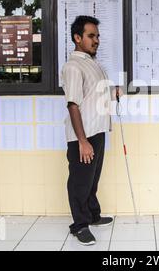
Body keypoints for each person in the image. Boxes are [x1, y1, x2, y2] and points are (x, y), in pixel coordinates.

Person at [61, 15, 114, 246]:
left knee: (93, 180)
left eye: (97, 36)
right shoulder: (73, 66)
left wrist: (115, 91)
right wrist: (82, 141)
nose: (96, 40)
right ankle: (79, 225)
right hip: (83, 136)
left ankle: (92, 215)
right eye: (91, 36)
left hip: (98, 131)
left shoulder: (93, 64)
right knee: (80, 182)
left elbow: (93, 95)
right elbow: (73, 104)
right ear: (77, 38)